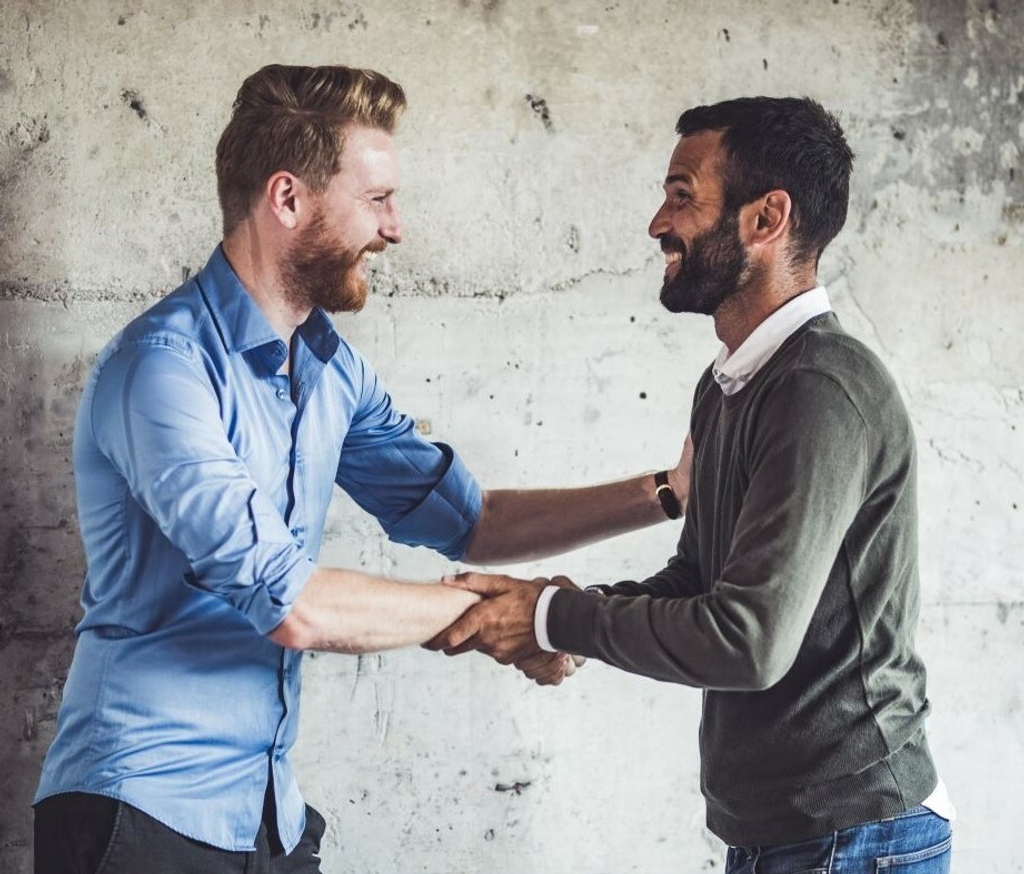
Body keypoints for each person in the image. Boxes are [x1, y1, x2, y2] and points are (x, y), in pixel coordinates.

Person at [32, 64, 693, 874]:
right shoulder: (162, 371)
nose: (396, 228)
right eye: (377, 200)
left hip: (267, 819)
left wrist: (667, 493)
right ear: (288, 200)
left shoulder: (329, 369)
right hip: (139, 816)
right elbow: (293, 605)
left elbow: (468, 520)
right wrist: (511, 619)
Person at [429, 97, 954, 873]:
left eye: (682, 196)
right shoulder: (733, 386)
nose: (657, 224)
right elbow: (701, 581)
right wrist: (550, 616)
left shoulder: (820, 387)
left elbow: (747, 640)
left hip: (854, 836)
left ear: (766, 218)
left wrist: (552, 619)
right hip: (788, 834)